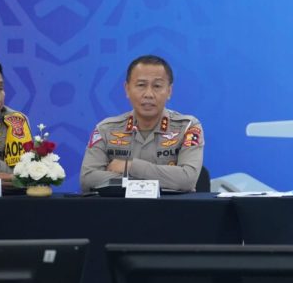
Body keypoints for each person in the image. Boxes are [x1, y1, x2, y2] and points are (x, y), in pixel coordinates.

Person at [80, 55, 204, 192]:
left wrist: (129, 167)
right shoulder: (105, 130)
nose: (148, 94)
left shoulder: (187, 127)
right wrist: (153, 182)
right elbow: (88, 178)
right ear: (127, 89)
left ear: (169, 91)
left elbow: (187, 180)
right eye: (141, 85)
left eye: (157, 86)